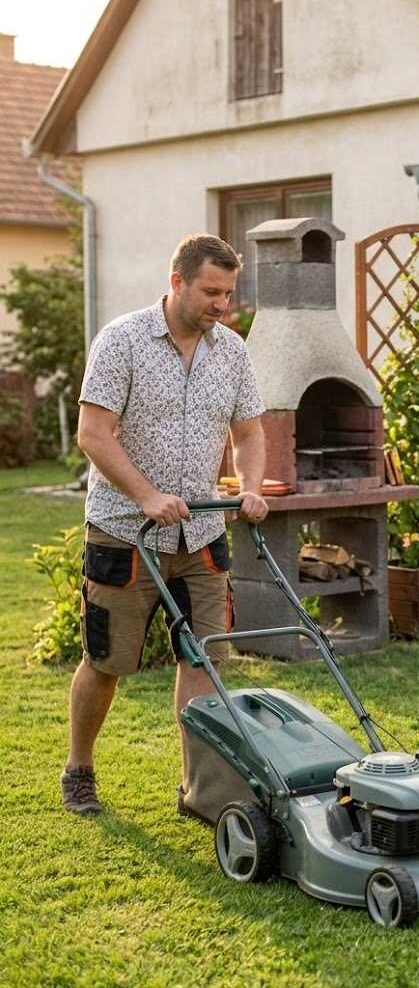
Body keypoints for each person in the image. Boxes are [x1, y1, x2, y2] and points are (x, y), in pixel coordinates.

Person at [61, 233, 269, 816]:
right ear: (176, 281)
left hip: (201, 534)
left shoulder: (230, 350)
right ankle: (79, 769)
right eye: (210, 292)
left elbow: (249, 433)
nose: (221, 305)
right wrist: (147, 494)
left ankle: (197, 788)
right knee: (107, 662)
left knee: (203, 658)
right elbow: (93, 434)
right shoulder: (122, 341)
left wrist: (249, 488)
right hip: (125, 533)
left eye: (227, 293)